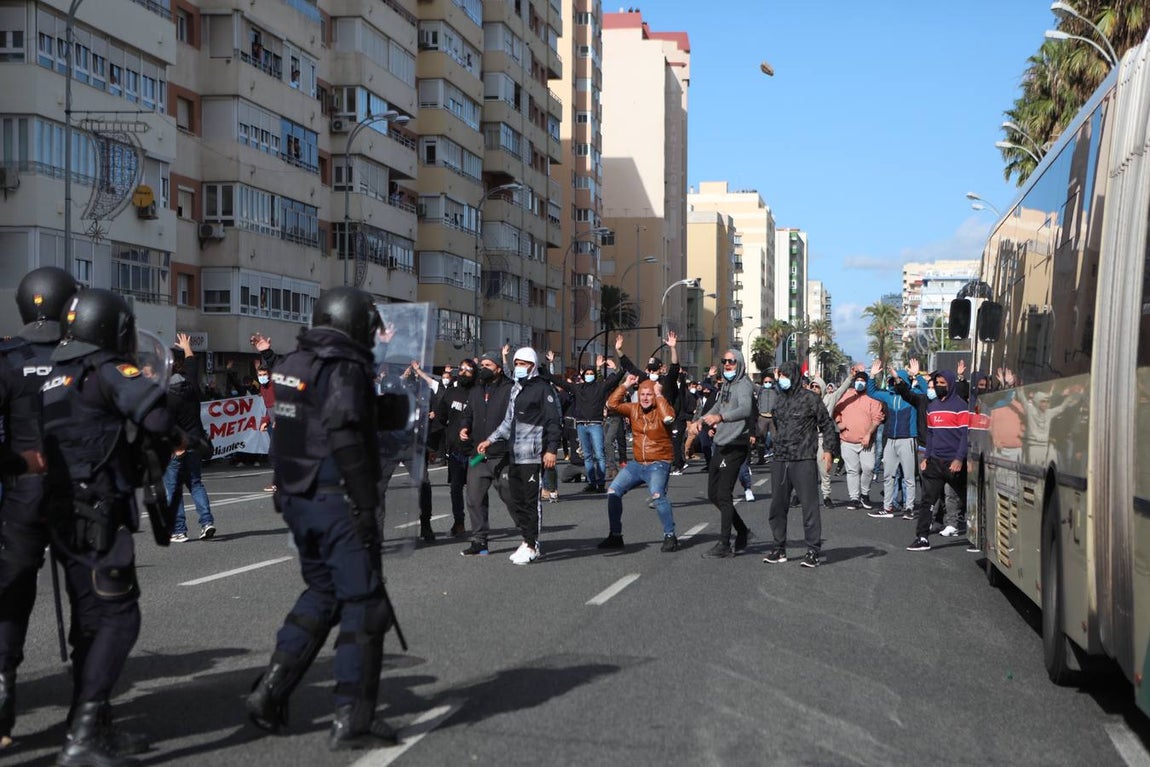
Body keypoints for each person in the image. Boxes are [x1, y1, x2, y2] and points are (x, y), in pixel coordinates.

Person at [246, 286, 400, 749]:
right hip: (336, 499)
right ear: (352, 323)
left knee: (325, 591)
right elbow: (343, 432)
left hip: (298, 497)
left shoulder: (293, 363)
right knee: (366, 607)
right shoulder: (344, 365)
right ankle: (352, 716)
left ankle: (270, 691)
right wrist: (366, 504)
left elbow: (301, 427)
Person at [40, 288, 173, 765]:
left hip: (62, 512)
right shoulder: (107, 369)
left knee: (90, 622)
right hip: (99, 512)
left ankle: (97, 728)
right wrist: (161, 389)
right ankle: (82, 735)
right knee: (119, 617)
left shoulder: (55, 375)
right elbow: (155, 414)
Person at [0, 267, 76, 747]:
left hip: (22, 494)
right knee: (95, 603)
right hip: (79, 496)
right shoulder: (87, 356)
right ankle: (92, 716)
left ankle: (3, 699)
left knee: (10, 597)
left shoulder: (7, 358)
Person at [475, 347, 561, 565]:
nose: (519, 368)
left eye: (523, 364)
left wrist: (551, 449)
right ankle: (526, 539)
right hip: (514, 454)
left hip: (533, 455)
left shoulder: (543, 389)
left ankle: (533, 544)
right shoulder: (516, 388)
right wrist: (491, 439)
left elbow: (553, 421)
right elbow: (507, 422)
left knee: (532, 502)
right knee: (518, 500)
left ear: (532, 365)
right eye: (517, 363)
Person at [762, 360, 839, 568]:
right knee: (777, 506)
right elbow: (775, 425)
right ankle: (779, 548)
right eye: (781, 376)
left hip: (803, 459)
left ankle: (813, 550)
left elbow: (827, 425)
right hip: (780, 459)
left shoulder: (810, 399)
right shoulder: (778, 401)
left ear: (794, 376)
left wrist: (829, 451)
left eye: (786, 375)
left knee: (809, 507)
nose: (782, 380)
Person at [597, 373, 679, 551]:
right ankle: (615, 536)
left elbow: (669, 419)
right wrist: (625, 385)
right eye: (642, 394)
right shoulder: (633, 409)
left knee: (658, 495)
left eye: (649, 394)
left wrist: (659, 395)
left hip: (658, 462)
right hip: (637, 463)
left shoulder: (663, 408)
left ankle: (670, 536)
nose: (645, 398)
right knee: (613, 491)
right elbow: (611, 404)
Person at [689, 349, 755, 558]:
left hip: (736, 444)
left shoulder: (743, 385)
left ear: (740, 363)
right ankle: (743, 530)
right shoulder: (727, 384)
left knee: (724, 494)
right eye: (724, 361)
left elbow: (745, 409)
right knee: (713, 494)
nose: (727, 365)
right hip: (722, 442)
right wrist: (701, 420)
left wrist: (721, 418)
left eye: (731, 362)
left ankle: (724, 544)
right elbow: (718, 405)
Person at [895, 368, 969, 551]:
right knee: (927, 500)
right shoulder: (932, 406)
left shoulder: (960, 406)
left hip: (955, 462)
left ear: (950, 385)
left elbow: (965, 435)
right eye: (937, 384)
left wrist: (959, 459)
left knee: (966, 498)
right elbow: (931, 434)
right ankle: (922, 537)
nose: (938, 387)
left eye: (943, 384)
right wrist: (927, 457)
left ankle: (974, 535)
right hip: (935, 461)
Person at [458, 351, 515, 556]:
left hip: (502, 454)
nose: (483, 368)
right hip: (478, 455)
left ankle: (528, 534)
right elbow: (468, 413)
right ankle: (479, 541)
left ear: (498, 368)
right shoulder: (475, 390)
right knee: (473, 496)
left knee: (509, 494)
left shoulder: (509, 389)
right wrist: (465, 427)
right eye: (481, 364)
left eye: (488, 365)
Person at [544, 351, 620, 494]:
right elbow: (560, 382)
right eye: (587, 373)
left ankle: (600, 483)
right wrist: (547, 370)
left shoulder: (600, 387)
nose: (589, 375)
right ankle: (591, 483)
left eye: (591, 373)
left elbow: (615, 379)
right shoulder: (577, 388)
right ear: (583, 375)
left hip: (595, 424)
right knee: (588, 456)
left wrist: (614, 369)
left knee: (599, 455)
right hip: (581, 425)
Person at [165, 332, 216, 542]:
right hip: (196, 442)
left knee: (173, 487)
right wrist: (186, 346)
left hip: (176, 446)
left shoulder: (164, 394)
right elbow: (193, 364)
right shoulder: (191, 386)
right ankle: (207, 522)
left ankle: (178, 530)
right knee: (195, 483)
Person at [865, 359, 923, 520]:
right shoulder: (889, 396)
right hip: (890, 440)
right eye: (892, 379)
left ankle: (909, 508)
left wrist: (916, 374)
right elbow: (871, 392)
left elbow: (925, 390)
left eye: (897, 379)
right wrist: (871, 376)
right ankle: (887, 506)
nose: (894, 382)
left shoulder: (913, 396)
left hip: (907, 439)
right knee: (888, 475)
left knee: (909, 477)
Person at [433, 357, 477, 535]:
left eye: (468, 369)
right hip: (456, 452)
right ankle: (459, 522)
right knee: (455, 488)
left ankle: (480, 526)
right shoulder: (451, 393)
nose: (464, 372)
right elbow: (440, 420)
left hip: (477, 453)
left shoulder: (479, 392)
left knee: (477, 489)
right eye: (461, 369)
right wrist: (433, 447)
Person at [832, 369, 884, 510]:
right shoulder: (847, 394)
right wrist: (839, 423)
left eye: (862, 381)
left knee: (869, 468)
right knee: (852, 470)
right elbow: (835, 410)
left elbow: (877, 418)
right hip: (847, 441)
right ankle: (854, 498)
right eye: (858, 380)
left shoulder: (872, 398)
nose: (859, 383)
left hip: (866, 442)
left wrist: (868, 434)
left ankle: (865, 494)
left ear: (866, 383)